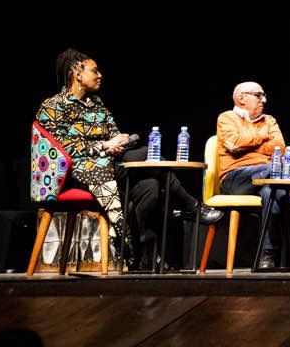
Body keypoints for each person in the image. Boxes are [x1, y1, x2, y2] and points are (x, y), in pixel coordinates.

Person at [36, 49, 221, 270]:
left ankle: (145, 260)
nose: (100, 75)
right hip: (77, 171)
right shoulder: (53, 106)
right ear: (77, 72)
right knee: (145, 155)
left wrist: (119, 141)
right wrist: (102, 146)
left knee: (150, 187)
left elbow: (113, 133)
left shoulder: (97, 104)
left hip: (111, 164)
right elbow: (59, 147)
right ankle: (191, 205)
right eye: (94, 70)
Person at [216, 79, 290, 270]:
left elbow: (280, 148)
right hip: (235, 178)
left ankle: (267, 256)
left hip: (264, 179)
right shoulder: (226, 118)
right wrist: (263, 139)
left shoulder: (269, 120)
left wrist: (249, 147)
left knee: (271, 192)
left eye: (264, 96)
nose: (264, 100)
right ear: (242, 98)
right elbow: (234, 144)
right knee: (272, 170)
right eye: (259, 95)